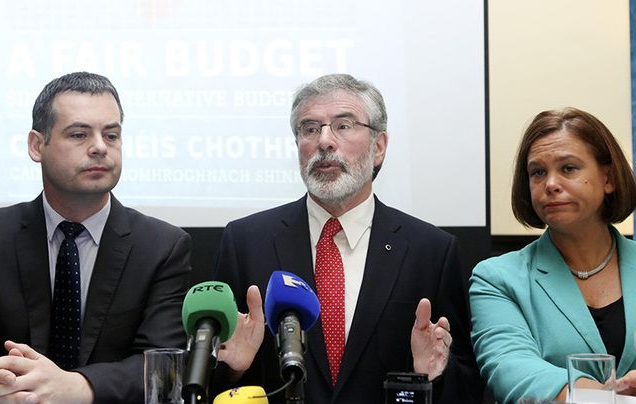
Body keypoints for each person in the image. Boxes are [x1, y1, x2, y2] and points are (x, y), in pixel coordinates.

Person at [213, 73, 484, 403]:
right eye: (310, 128)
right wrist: (233, 371)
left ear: (379, 147)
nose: (324, 141)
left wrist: (436, 373)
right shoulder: (245, 242)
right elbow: (214, 381)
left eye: (343, 125)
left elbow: (470, 386)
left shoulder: (431, 252)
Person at [0, 72, 192, 403]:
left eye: (111, 135)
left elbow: (164, 364)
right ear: (36, 145)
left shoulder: (162, 247)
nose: (100, 147)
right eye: (79, 134)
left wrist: (79, 386)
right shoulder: (0, 235)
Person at [470, 107, 636, 403]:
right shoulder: (497, 278)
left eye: (568, 168)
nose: (550, 184)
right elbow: (511, 369)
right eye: (538, 172)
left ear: (608, 178)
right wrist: (607, 397)